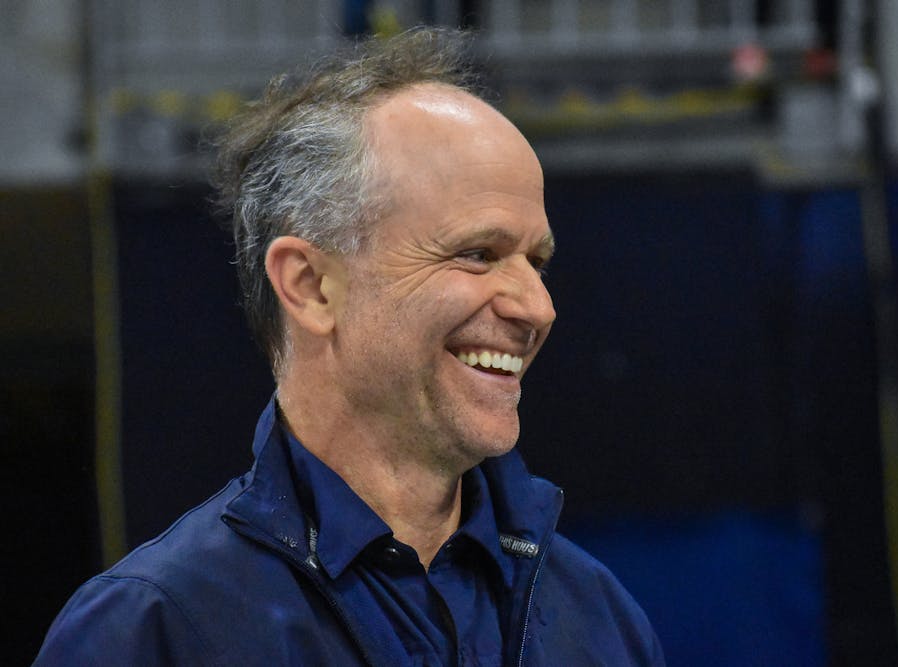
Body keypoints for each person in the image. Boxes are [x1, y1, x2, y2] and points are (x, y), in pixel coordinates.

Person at [35, 27, 665, 666]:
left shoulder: (597, 617)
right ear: (310, 286)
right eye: (478, 254)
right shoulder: (153, 631)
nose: (538, 308)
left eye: (537, 262)